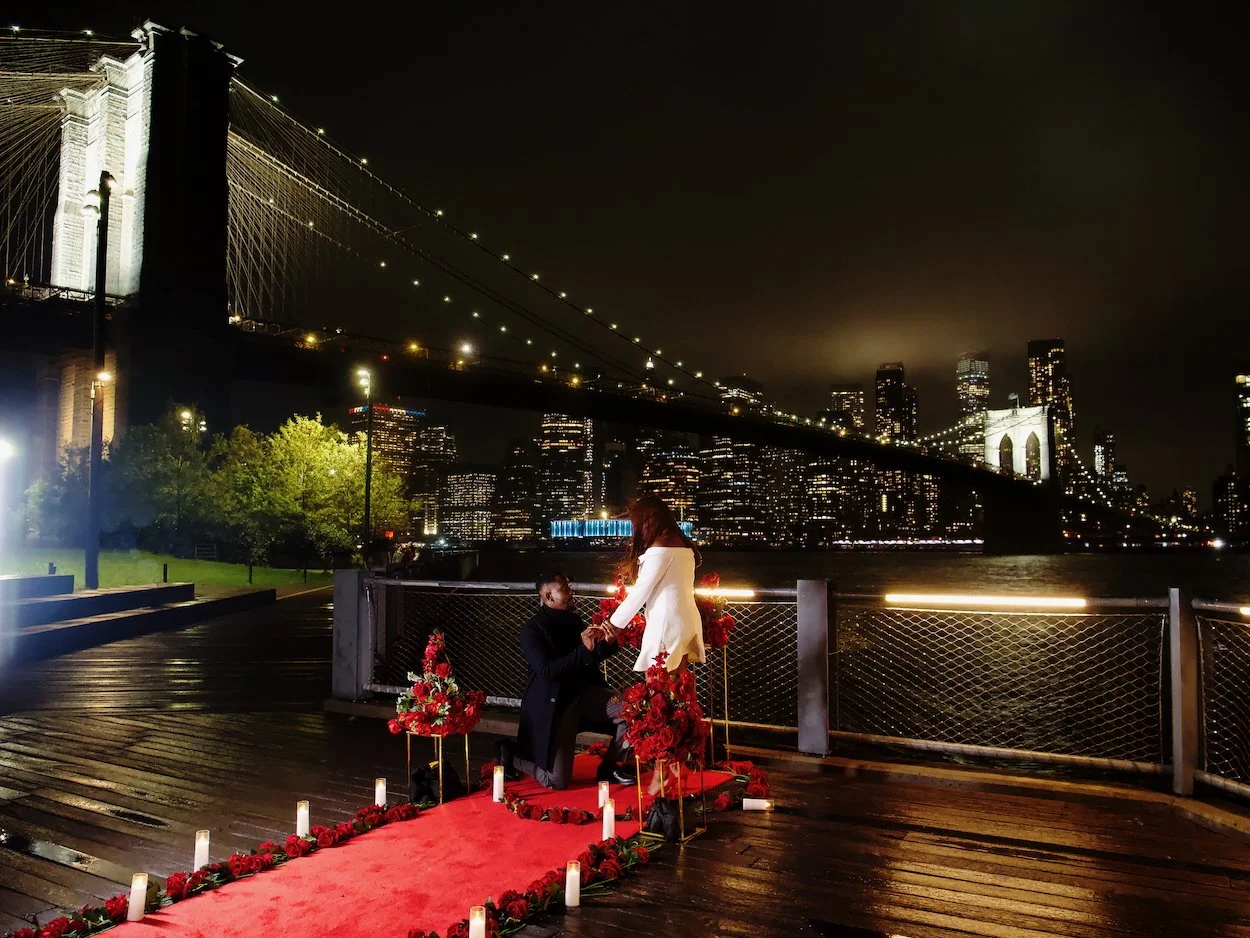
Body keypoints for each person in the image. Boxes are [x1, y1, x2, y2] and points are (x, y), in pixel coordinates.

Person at [601, 495, 705, 793]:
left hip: (665, 628)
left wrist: (612, 625)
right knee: (680, 698)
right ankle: (678, 766)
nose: (636, 528)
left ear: (648, 519)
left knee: (658, 702)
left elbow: (639, 594)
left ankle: (662, 768)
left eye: (637, 521)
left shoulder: (659, 551)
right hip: (685, 624)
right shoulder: (682, 546)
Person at [499, 572, 635, 790]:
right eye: (565, 589)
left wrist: (608, 643)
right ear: (548, 596)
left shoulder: (573, 620)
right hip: (557, 706)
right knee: (557, 781)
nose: (571, 592)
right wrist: (583, 649)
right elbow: (547, 670)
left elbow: (587, 658)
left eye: (569, 587)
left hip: (584, 694)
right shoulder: (532, 630)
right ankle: (512, 754)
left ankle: (611, 766)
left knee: (631, 709)